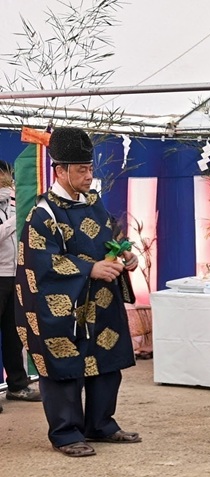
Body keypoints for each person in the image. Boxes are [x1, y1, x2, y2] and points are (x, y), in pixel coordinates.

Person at [15, 127, 141, 457]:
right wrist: (90, 269)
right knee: (64, 369)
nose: (89, 176)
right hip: (64, 307)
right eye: (82, 170)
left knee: (106, 363)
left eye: (90, 168)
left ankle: (100, 424)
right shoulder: (43, 214)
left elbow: (112, 236)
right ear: (60, 170)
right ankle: (66, 433)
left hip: (100, 302)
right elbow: (41, 263)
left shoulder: (94, 204)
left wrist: (126, 254)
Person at [1, 160, 42, 412]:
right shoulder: (15, 211)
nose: (8, 180)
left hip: (15, 275)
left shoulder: (15, 203)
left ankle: (17, 385)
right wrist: (15, 220)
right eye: (5, 176)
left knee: (14, 333)